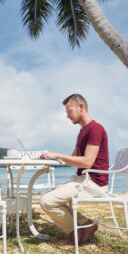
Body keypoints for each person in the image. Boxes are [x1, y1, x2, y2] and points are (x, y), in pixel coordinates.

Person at [39, 93, 109, 244]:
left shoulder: (95, 129)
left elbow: (86, 162)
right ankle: (86, 224)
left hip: (93, 183)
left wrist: (58, 155)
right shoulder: (83, 131)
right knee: (52, 196)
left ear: (81, 107)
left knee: (46, 201)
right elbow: (74, 159)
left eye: (69, 111)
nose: (67, 116)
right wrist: (54, 157)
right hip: (83, 180)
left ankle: (74, 230)